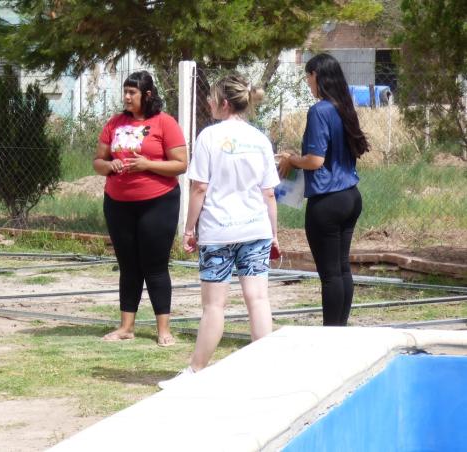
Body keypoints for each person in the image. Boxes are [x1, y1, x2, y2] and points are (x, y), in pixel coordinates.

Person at [158, 74, 279, 390]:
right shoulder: (261, 139)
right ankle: (265, 373)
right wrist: (274, 234)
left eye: (211, 98)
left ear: (224, 103)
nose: (208, 102)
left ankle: (196, 371)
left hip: (218, 232)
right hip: (256, 229)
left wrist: (188, 229)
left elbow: (200, 188)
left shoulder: (208, 137)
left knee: (214, 306)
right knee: (258, 300)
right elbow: (269, 193)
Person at [93, 71, 188, 347]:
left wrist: (147, 165)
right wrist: (110, 166)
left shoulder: (164, 123)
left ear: (147, 95)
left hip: (158, 202)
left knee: (155, 266)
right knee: (128, 266)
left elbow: (181, 164)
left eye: (132, 92)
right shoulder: (114, 123)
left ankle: (163, 330)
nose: (126, 97)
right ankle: (126, 327)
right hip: (118, 204)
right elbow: (98, 161)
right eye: (125, 92)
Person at [278, 53, 368, 326]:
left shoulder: (319, 110)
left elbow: (315, 161)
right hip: (351, 196)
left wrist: (291, 159)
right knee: (342, 268)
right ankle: (340, 328)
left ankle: (330, 334)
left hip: (327, 201)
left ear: (317, 75)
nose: (307, 82)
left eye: (308, 76)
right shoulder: (344, 106)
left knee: (329, 275)